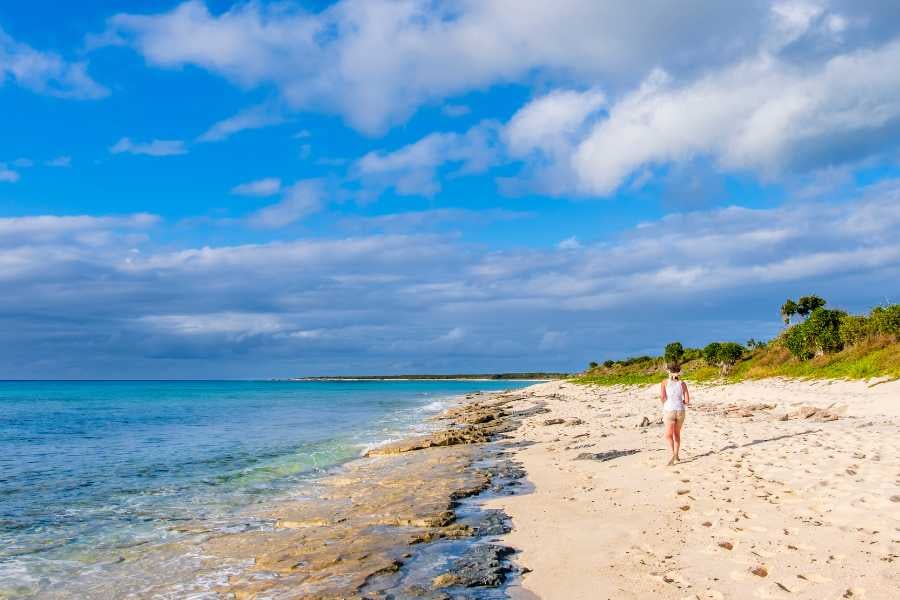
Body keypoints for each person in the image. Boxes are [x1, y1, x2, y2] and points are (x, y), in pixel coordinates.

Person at [660, 366, 690, 465]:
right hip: (680, 411)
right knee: (677, 434)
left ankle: (672, 454)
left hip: (669, 410)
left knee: (668, 435)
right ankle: (676, 455)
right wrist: (680, 402)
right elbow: (687, 401)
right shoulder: (683, 384)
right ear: (679, 372)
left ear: (669, 372)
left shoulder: (664, 382)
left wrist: (666, 405)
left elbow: (663, 398)